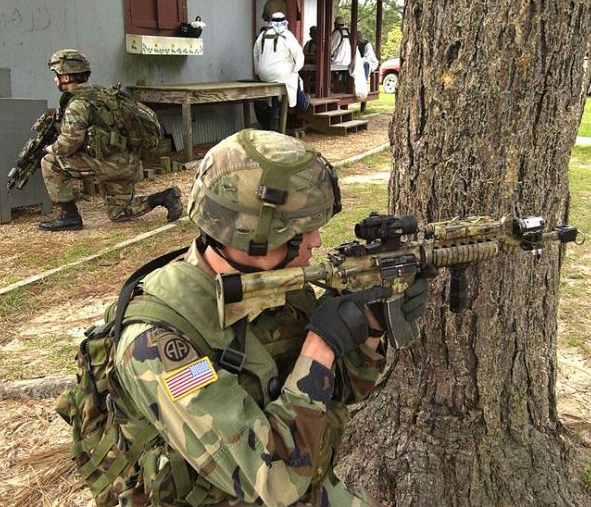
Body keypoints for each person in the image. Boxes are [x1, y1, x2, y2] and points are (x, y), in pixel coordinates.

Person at [105, 129, 432, 505]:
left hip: (299, 480)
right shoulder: (157, 343)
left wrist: (369, 328)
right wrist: (322, 345)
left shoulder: (275, 283)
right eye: (302, 230)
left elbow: (336, 393)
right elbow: (275, 482)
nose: (317, 242)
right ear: (252, 235)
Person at [39, 49, 182, 231]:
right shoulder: (103, 93)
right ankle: (165, 197)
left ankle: (69, 216)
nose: (55, 79)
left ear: (66, 77)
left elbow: (67, 146)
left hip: (107, 165)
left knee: (49, 162)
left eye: (56, 75)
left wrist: (49, 148)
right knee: (119, 213)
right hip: (128, 163)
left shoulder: (77, 104)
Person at [253, 12, 309, 117]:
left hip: (264, 75)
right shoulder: (287, 35)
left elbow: (255, 54)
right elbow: (298, 54)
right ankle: (302, 104)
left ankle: (274, 114)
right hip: (281, 74)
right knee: (296, 79)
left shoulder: (262, 35)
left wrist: (258, 71)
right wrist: (296, 69)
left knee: (276, 86)